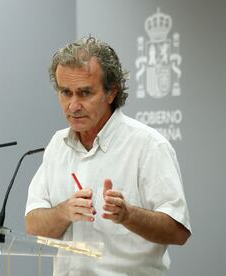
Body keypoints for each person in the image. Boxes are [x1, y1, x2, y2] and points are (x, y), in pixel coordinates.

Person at [25, 36, 191, 276]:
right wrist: (63, 212)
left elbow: (178, 231)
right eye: (65, 92)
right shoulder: (57, 145)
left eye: (84, 93)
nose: (73, 105)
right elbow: (33, 224)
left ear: (111, 92)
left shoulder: (148, 145)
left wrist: (128, 215)